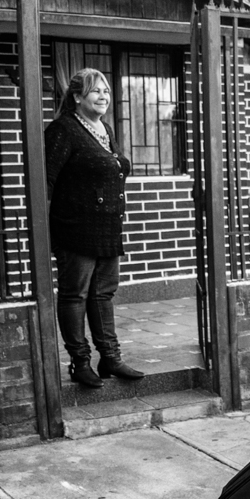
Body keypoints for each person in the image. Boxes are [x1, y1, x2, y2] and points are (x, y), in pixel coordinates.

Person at [45, 68, 144, 388]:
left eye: (106, 91)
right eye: (95, 91)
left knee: (103, 294)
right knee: (75, 294)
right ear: (77, 97)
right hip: (74, 228)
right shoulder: (63, 129)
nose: (104, 96)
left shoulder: (105, 129)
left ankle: (110, 359)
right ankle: (79, 362)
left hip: (107, 228)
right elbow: (46, 181)